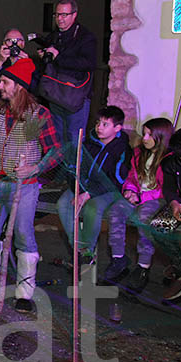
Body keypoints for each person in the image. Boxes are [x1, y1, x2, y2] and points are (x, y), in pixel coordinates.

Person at [0, 58, 62, 312]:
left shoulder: (37, 115)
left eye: (5, 82)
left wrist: (35, 168)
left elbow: (55, 152)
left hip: (24, 186)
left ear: (20, 86)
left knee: (24, 236)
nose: (0, 87)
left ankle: (24, 293)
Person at [103, 118, 174, 293]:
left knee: (145, 220)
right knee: (116, 211)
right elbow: (132, 177)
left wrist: (142, 197)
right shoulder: (138, 154)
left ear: (161, 137)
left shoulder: (169, 160)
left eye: (150, 135)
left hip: (156, 199)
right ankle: (118, 258)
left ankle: (143, 265)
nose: (144, 138)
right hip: (138, 196)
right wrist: (130, 190)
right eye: (144, 134)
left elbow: (167, 188)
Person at [56, 105, 131, 261]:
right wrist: (78, 188)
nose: (99, 128)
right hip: (84, 186)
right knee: (63, 203)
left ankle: (86, 250)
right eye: (98, 123)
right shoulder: (89, 142)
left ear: (117, 128)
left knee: (93, 208)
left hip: (108, 190)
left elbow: (117, 180)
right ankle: (77, 247)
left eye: (105, 124)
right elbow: (76, 167)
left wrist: (88, 194)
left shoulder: (122, 149)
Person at [38, 0, 98, 145]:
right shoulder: (54, 36)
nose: (60, 19)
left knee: (73, 141)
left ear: (74, 15)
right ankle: (59, 167)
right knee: (57, 139)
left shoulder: (85, 37)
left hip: (75, 97)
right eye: (57, 15)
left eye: (64, 15)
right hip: (55, 94)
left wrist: (58, 57)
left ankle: (72, 168)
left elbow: (88, 63)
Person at [160, 129, 181, 301]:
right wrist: (174, 203)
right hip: (180, 203)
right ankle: (180, 266)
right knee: (158, 227)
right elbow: (168, 187)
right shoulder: (171, 162)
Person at [0, 29, 32, 103]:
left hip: (21, 107)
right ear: (4, 43)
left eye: (18, 40)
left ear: (23, 44)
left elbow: (35, 89)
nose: (14, 44)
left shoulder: (31, 64)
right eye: (10, 40)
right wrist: (0, 62)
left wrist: (26, 65)